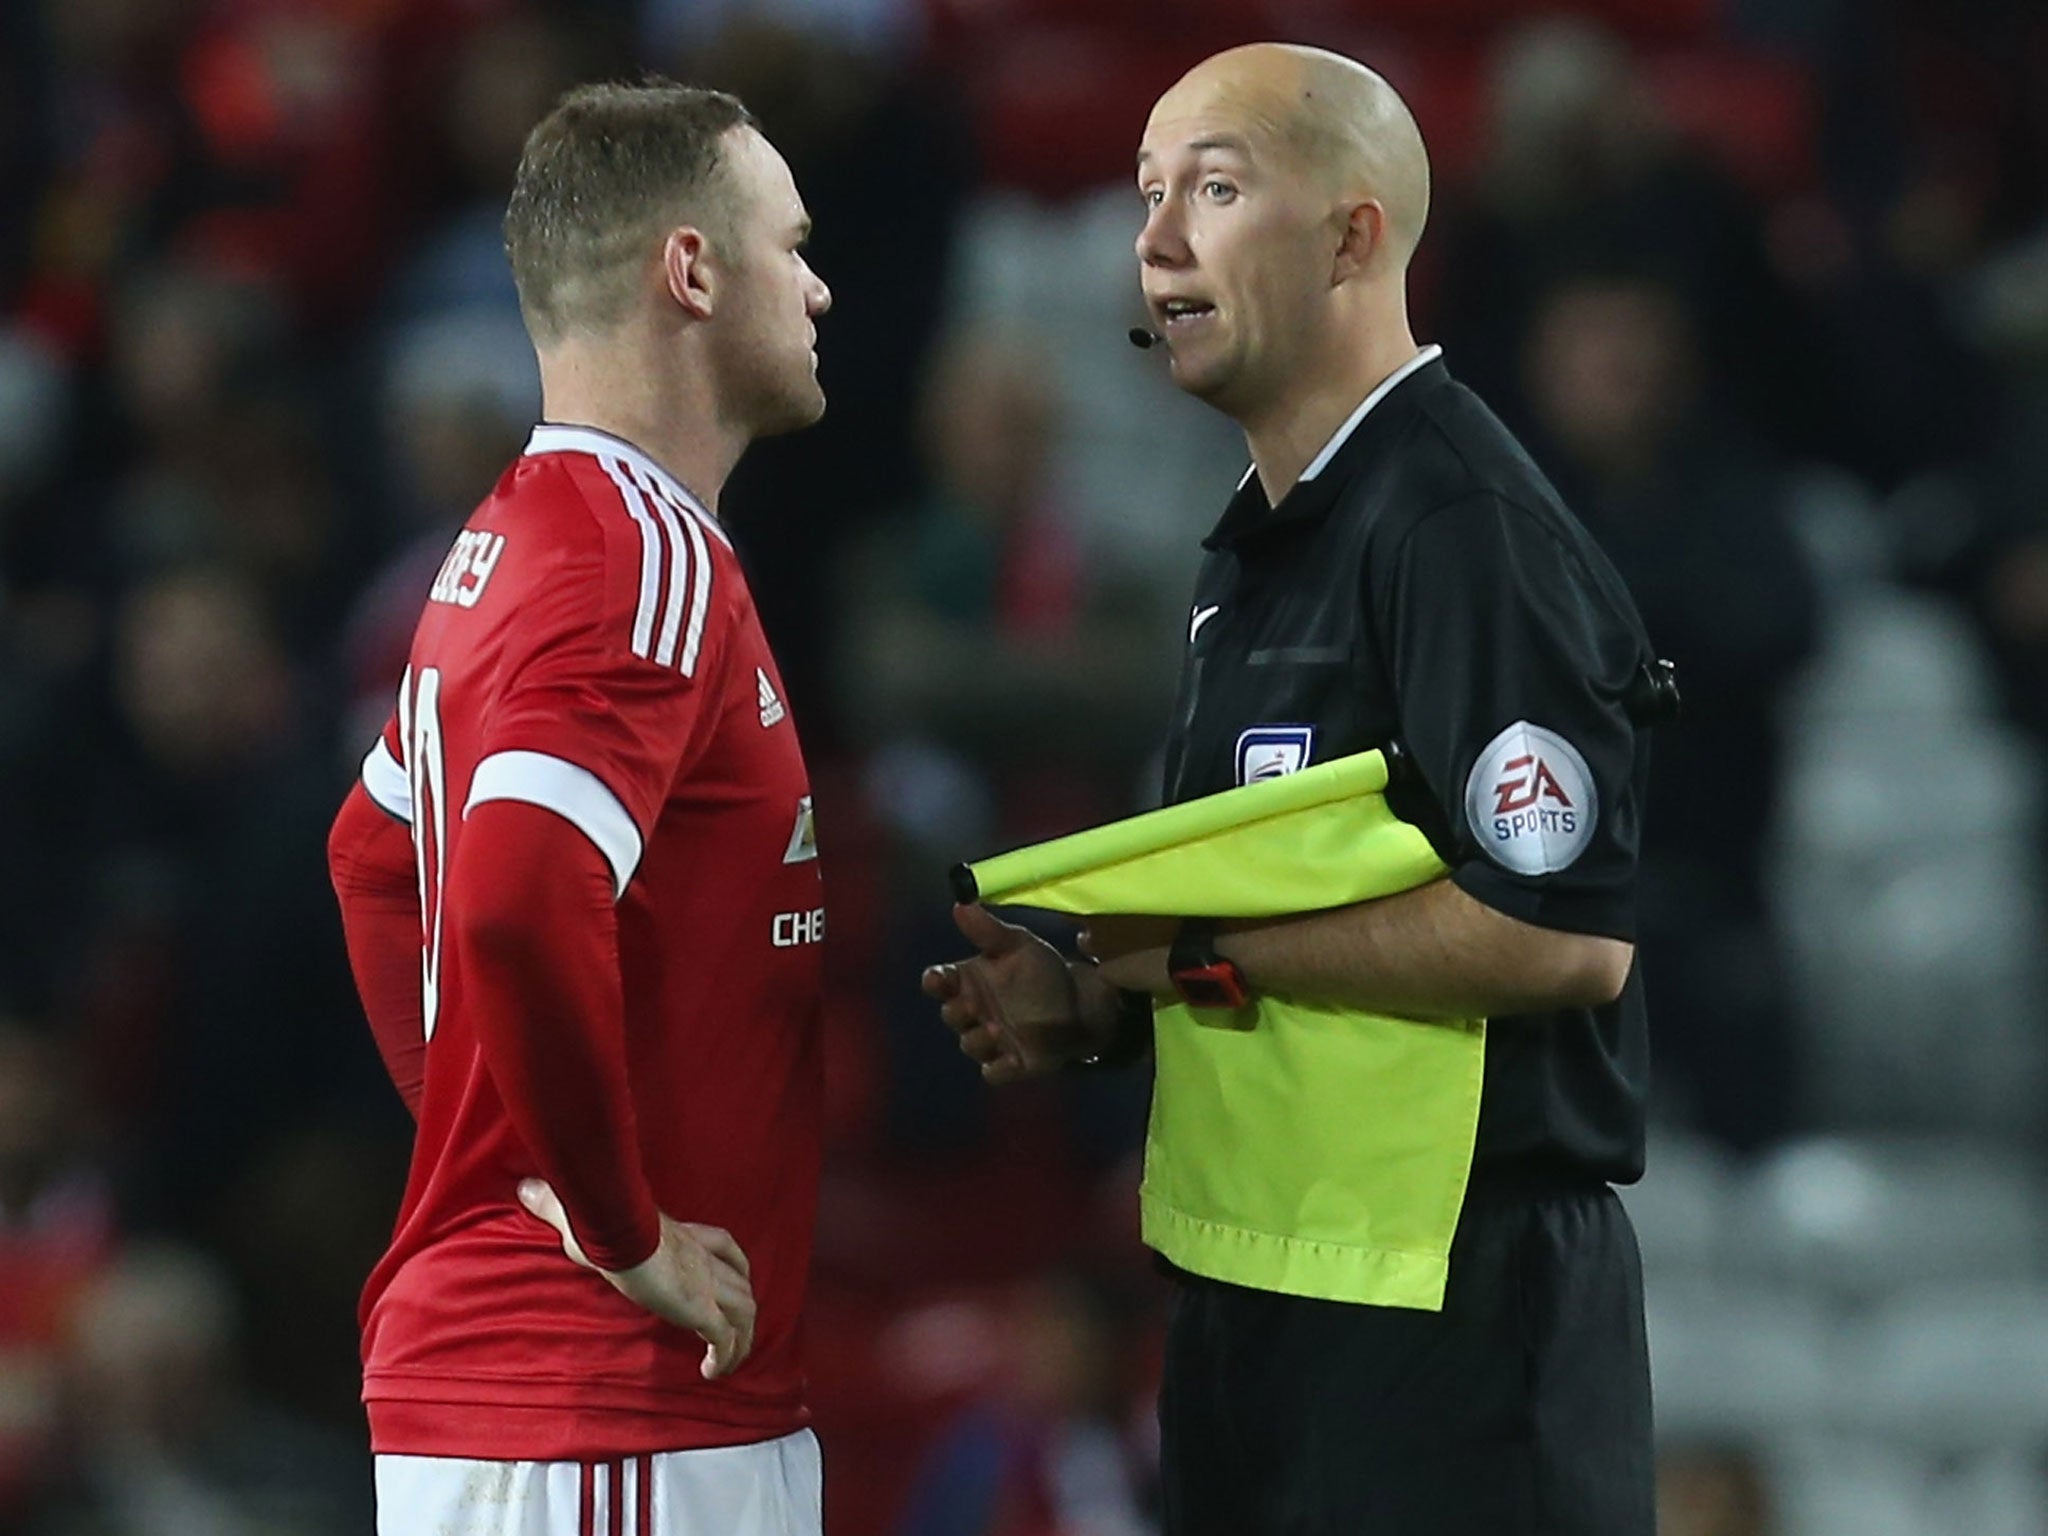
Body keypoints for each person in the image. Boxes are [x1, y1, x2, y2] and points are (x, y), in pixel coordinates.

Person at [924, 44, 1661, 1535]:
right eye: (1145, 196)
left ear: (1353, 234)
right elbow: (1280, 898)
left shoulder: (1460, 527)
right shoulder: (1251, 553)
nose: (1156, 240)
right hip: (1266, 1306)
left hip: (1449, 1330)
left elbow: (1560, 936)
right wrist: (1110, 1005)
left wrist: (1193, 956)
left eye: (1214, 186)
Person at [326, 80, 833, 1535]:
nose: (815, 283)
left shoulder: (512, 541)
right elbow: (505, 893)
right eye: (788, 244)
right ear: (691, 271)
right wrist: (608, 1223)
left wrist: (494, 1147)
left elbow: (373, 861)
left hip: (555, 1408)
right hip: (604, 1405)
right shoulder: (638, 561)